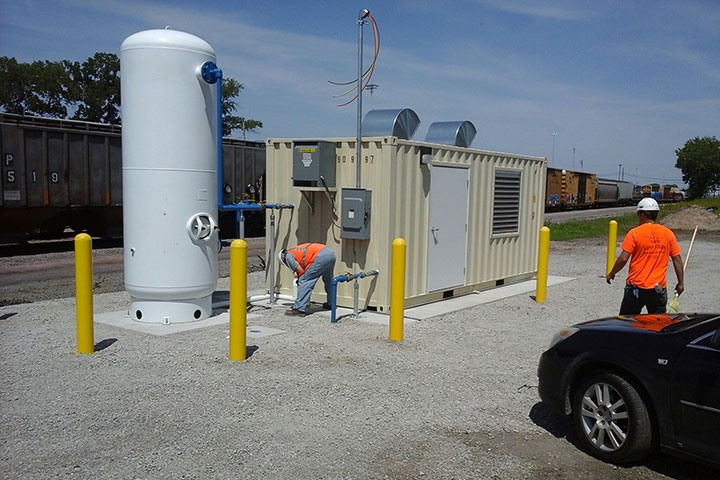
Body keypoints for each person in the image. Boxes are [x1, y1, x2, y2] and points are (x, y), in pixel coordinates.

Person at [605, 198, 684, 315]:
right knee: (657, 325)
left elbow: (623, 258)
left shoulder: (634, 233)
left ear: (642, 214)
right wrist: (680, 283)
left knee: (627, 323)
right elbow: (677, 259)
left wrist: (612, 273)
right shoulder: (668, 233)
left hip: (636, 288)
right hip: (658, 289)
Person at [278, 243, 336, 316]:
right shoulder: (294, 249)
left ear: (283, 259)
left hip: (319, 256)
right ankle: (331, 304)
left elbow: (300, 271)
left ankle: (299, 309)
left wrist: (299, 279)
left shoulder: (287, 256)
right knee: (329, 280)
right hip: (330, 253)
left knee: (305, 280)